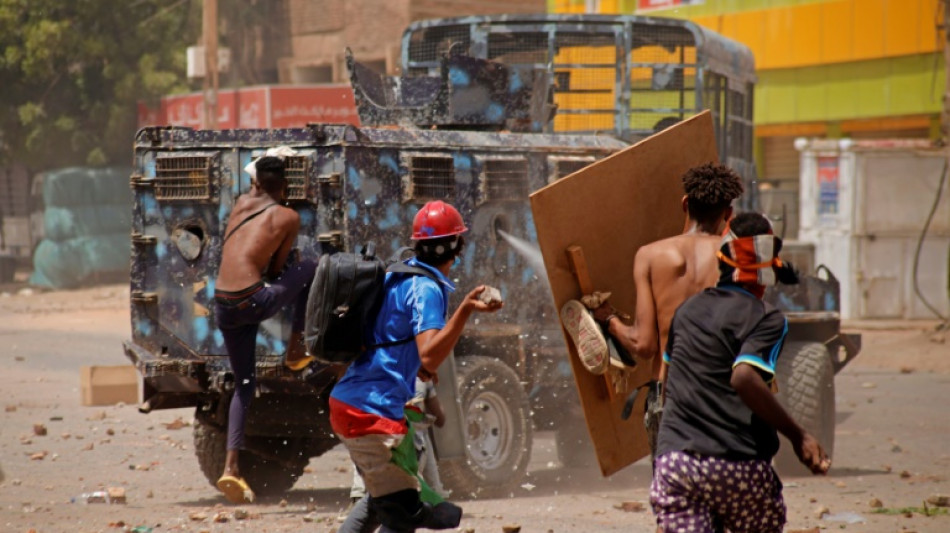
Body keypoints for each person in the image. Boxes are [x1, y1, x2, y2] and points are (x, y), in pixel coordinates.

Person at [651, 212, 829, 533]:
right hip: (738, 467)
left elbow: (667, 382)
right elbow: (744, 376)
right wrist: (798, 435)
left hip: (676, 463)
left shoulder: (686, 311)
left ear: (723, 262)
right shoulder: (767, 318)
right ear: (768, 274)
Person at [330, 200, 502, 532]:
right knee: (404, 514)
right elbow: (429, 356)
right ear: (455, 247)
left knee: (383, 501)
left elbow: (393, 341)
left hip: (348, 402)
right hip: (372, 414)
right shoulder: (427, 287)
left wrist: (415, 368)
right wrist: (465, 309)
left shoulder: (398, 273)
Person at [560, 162, 744, 453]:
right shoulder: (738, 260)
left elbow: (643, 344)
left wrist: (608, 320)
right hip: (725, 397)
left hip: (671, 396)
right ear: (728, 213)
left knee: (674, 493)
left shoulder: (650, 255)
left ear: (685, 204)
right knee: (720, 490)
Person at [212, 154, 316, 503]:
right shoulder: (288, 216)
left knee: (244, 385)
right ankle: (297, 347)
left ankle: (231, 469)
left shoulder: (241, 202)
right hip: (252, 300)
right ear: (284, 187)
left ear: (255, 183)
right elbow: (276, 269)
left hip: (223, 304)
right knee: (312, 267)